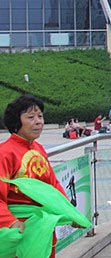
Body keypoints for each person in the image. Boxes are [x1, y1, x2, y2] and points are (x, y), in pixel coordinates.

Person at [1, 95, 87, 257]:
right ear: (16, 121)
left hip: (43, 228)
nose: (38, 122)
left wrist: (70, 213)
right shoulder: (5, 153)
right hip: (19, 229)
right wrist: (10, 222)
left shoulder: (38, 149)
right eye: (31, 117)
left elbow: (53, 186)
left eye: (40, 116)